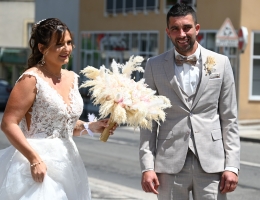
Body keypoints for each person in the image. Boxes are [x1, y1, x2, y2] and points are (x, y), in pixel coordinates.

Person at [0, 18, 116, 199]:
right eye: (59, 44)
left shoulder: (72, 77)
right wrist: (34, 159)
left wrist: (91, 126)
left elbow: (63, 124)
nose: (67, 49)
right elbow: (8, 123)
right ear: (41, 48)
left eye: (69, 43)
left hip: (69, 163)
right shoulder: (31, 79)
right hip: (37, 163)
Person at [139, 3, 240, 200]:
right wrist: (147, 166)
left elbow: (230, 119)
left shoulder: (221, 63)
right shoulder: (154, 66)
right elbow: (147, 122)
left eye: (186, 27)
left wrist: (232, 166)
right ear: (168, 32)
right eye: (175, 28)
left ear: (197, 28)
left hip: (212, 164)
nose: (182, 34)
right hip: (169, 164)